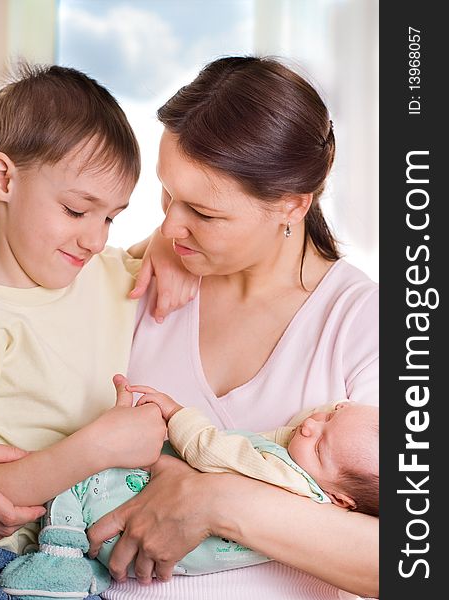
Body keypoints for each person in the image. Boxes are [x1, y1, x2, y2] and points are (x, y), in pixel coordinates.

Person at [85, 56, 379, 600]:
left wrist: (215, 501)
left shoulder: (363, 325)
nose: (171, 225)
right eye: (167, 195)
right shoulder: (145, 277)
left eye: (204, 212)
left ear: (291, 205)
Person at [0, 62, 194, 597]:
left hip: (78, 553)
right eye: (76, 210)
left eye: (111, 218)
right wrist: (98, 447)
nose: (95, 238)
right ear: (2, 179)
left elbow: (157, 246)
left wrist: (169, 245)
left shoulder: (103, 271)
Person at [0, 386, 378, 599]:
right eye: (328, 415)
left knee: (78, 491)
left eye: (320, 444)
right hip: (124, 576)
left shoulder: (286, 473)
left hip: (128, 538)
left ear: (341, 501)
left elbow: (213, 450)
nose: (310, 425)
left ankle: (59, 558)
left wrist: (178, 415)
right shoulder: (326, 479)